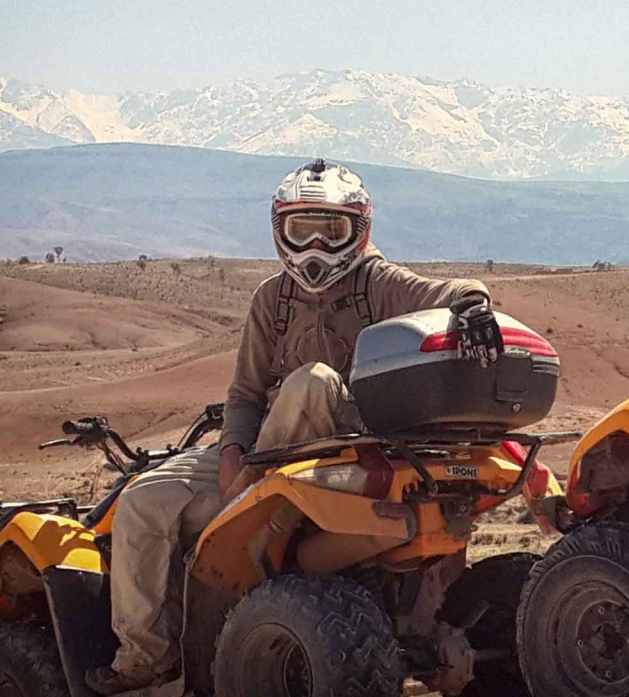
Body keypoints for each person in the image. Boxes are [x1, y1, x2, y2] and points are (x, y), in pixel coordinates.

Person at [86, 159, 503, 694]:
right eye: (300, 230)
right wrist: (234, 449)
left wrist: (472, 303)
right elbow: (243, 394)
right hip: (264, 452)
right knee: (143, 499)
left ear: (360, 230)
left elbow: (441, 288)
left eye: (331, 231)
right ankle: (145, 659)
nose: (314, 247)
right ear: (279, 229)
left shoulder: (376, 282)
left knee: (313, 381)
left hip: (346, 446)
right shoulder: (272, 300)